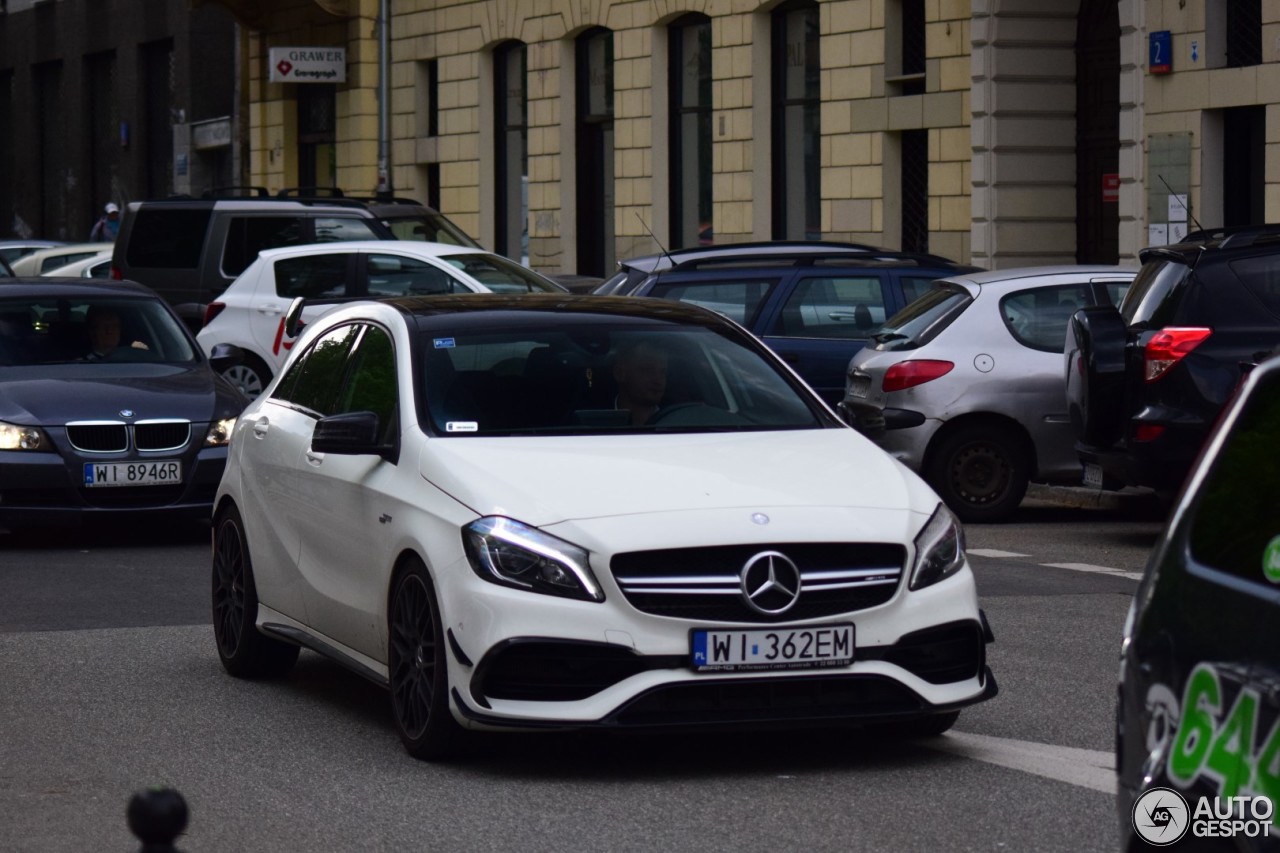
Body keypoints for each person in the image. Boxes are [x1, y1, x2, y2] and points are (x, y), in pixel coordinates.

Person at [612, 338, 668, 426]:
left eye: (663, 372)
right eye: (648, 370)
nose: (658, 380)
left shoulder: (682, 422)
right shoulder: (594, 423)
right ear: (620, 373)